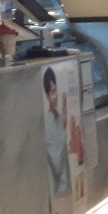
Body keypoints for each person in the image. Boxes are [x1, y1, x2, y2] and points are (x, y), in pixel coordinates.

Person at [43, 67, 71, 198]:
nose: (55, 97)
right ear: (47, 95)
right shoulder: (47, 122)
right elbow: (56, 162)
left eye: (56, 91)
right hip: (58, 192)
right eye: (52, 92)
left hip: (66, 190)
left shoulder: (58, 118)